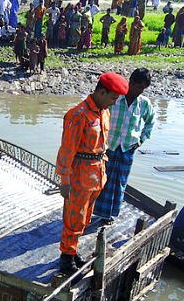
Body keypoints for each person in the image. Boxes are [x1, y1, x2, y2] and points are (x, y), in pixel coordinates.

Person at [55, 72, 129, 274]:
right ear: (101, 92)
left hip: (97, 173)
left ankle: (72, 249)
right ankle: (66, 257)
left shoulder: (103, 112)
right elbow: (67, 150)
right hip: (79, 175)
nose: (114, 103)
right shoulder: (78, 115)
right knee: (74, 218)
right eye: (112, 98)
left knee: (86, 218)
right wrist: (64, 180)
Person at [93, 68, 153, 224]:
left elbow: (150, 123)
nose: (140, 91)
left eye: (143, 88)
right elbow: (99, 114)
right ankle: (97, 211)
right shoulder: (115, 98)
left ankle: (110, 215)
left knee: (120, 183)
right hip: (109, 146)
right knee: (102, 179)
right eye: (138, 87)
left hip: (127, 148)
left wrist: (141, 140)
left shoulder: (144, 104)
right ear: (131, 82)